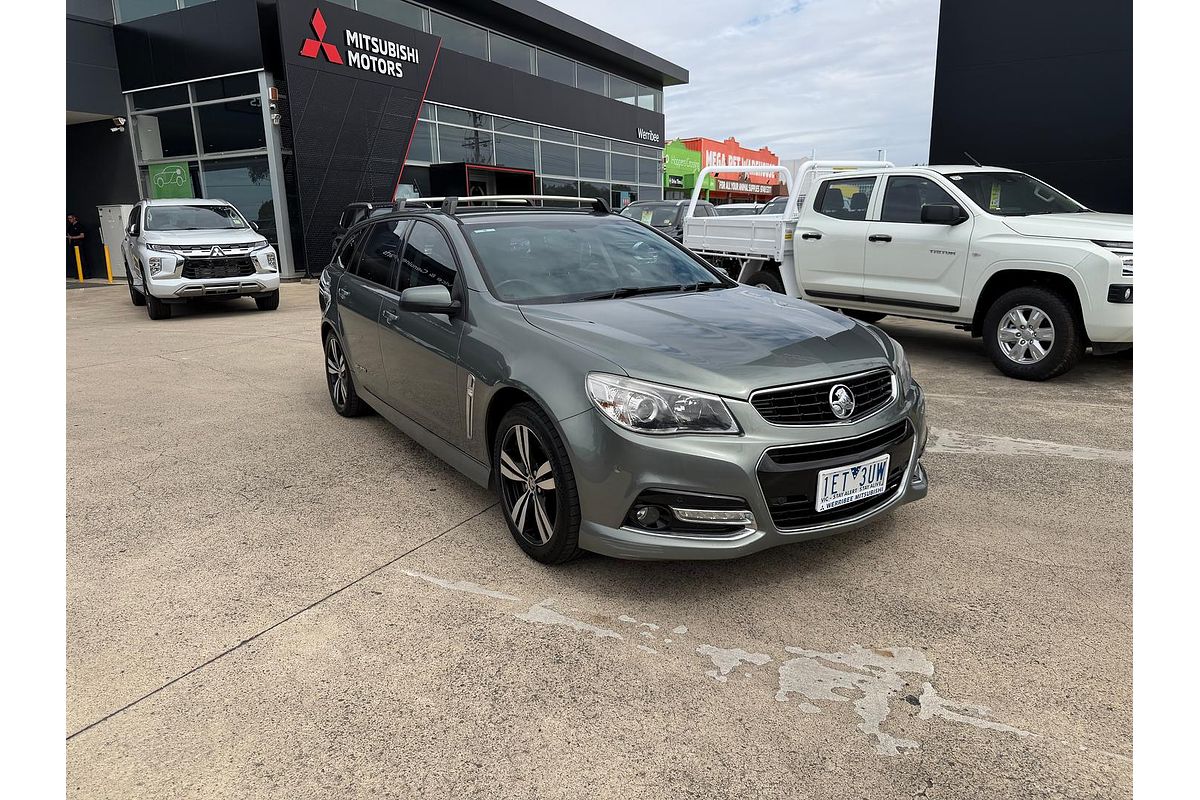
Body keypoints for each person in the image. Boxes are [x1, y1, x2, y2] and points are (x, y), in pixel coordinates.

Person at [67, 214, 88, 278]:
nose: (69, 220)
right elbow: (69, 235)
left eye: (71, 218)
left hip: (79, 244)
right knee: (75, 260)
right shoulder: (70, 226)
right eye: (68, 219)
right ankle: (78, 274)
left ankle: (85, 274)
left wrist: (72, 237)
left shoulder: (79, 226)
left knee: (82, 259)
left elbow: (82, 235)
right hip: (73, 245)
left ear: (74, 218)